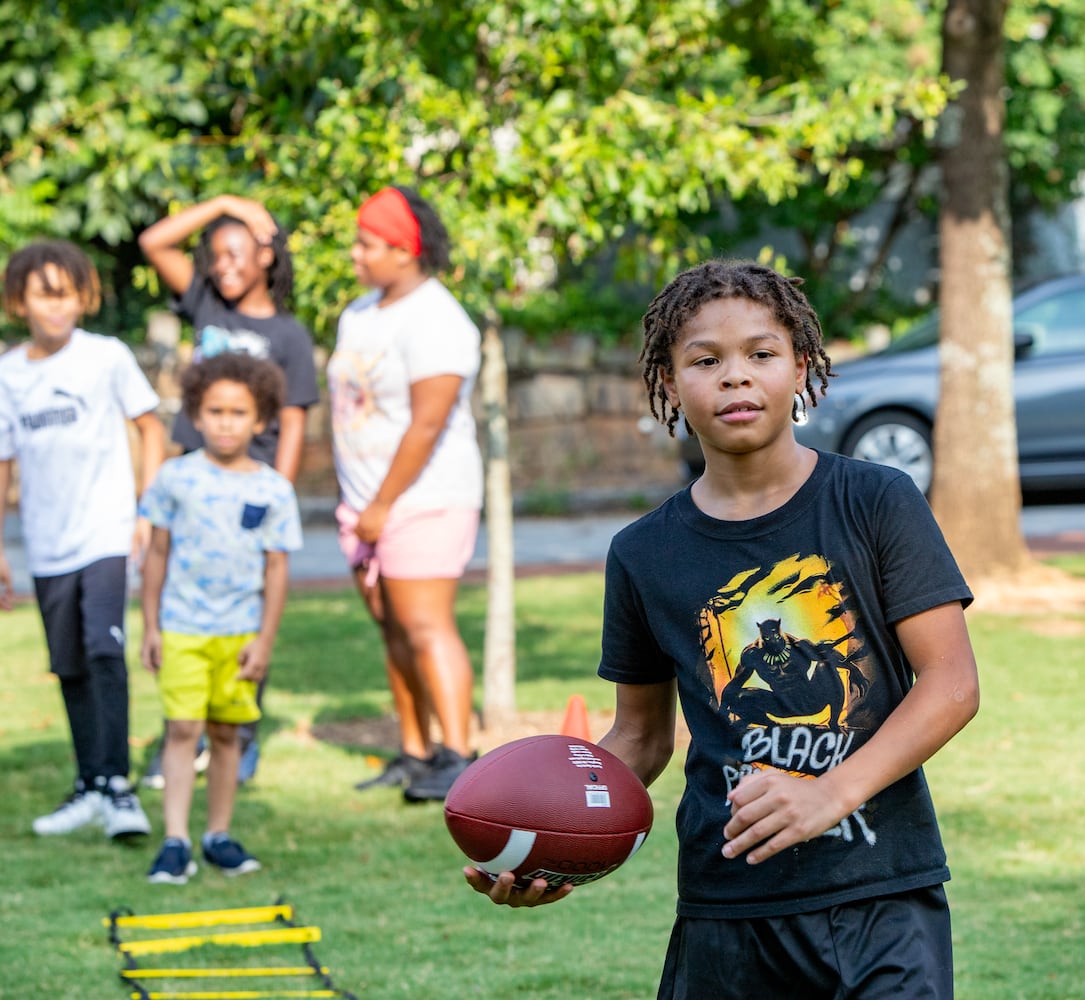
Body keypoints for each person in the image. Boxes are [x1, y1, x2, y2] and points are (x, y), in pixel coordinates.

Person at [465, 260, 981, 1000]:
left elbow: (950, 685)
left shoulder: (875, 501)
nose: (735, 378)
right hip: (726, 907)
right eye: (705, 360)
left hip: (879, 895)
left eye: (760, 355)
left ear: (800, 367)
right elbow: (640, 739)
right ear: (670, 384)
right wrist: (551, 844)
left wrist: (829, 793)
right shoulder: (643, 553)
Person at [138, 194, 319, 785]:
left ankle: (237, 737)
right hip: (193, 487)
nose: (225, 266)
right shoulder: (205, 303)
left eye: (238, 252)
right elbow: (152, 243)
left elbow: (293, 420)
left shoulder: (288, 334)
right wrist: (225, 204)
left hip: (250, 492)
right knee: (186, 600)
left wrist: (275, 496)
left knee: (243, 607)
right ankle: (182, 735)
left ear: (267, 255)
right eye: (216, 255)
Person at [0, 240, 166, 839]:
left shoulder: (106, 356)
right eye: (45, 295)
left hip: (106, 532)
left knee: (103, 648)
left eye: (68, 294)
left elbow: (150, 426)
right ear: (20, 301)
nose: (58, 307)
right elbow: (3, 462)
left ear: (83, 297)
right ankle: (88, 784)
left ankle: (119, 787)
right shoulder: (9, 374)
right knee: (68, 663)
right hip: (46, 543)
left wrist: (146, 508)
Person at [327, 186, 482, 803]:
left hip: (422, 499)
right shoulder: (360, 313)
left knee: (425, 625)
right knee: (392, 627)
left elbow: (427, 423)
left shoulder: (439, 318)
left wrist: (383, 505)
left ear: (404, 249)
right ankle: (415, 751)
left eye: (367, 244)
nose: (355, 254)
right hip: (365, 504)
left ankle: (459, 755)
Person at [139, 351, 302, 884]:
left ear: (260, 420)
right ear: (195, 414)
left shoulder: (273, 489)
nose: (225, 422)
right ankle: (175, 840)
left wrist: (265, 639)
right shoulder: (173, 478)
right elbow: (156, 554)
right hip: (183, 627)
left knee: (229, 734)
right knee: (182, 728)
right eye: (214, 411)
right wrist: (150, 624)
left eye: (238, 412)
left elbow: (277, 569)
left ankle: (218, 835)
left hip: (239, 634)